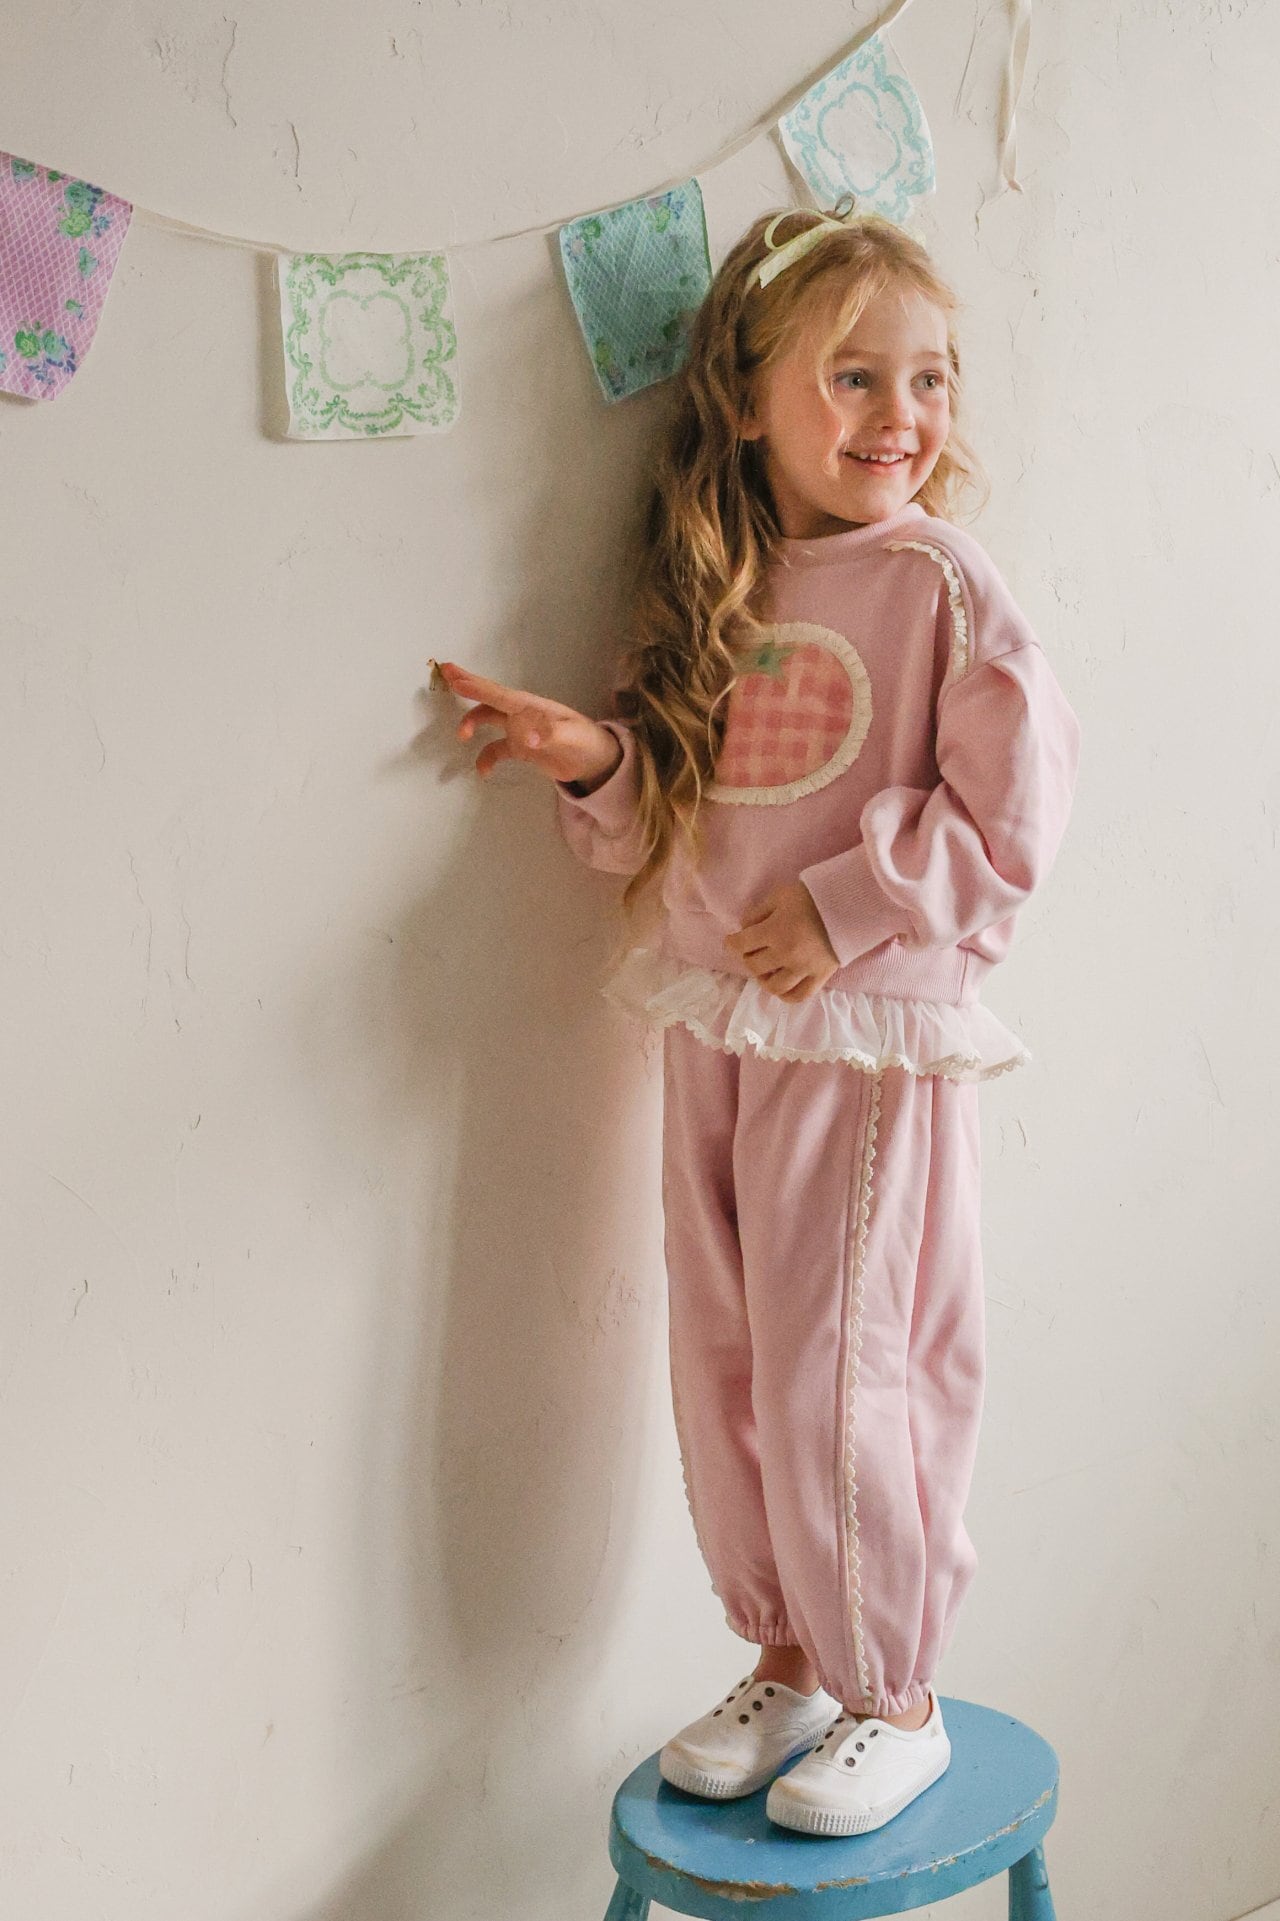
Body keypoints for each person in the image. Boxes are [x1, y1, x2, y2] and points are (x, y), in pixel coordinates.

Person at [436, 196, 1081, 1838]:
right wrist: (594, 758)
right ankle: (789, 1651)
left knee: (839, 1367)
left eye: (928, 379)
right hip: (715, 1022)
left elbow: (1014, 813)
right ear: (747, 397)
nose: (901, 416)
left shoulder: (939, 582)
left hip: (858, 1040)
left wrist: (848, 906)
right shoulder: (720, 582)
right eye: (855, 377)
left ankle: (894, 1691)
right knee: (723, 1350)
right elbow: (687, 813)